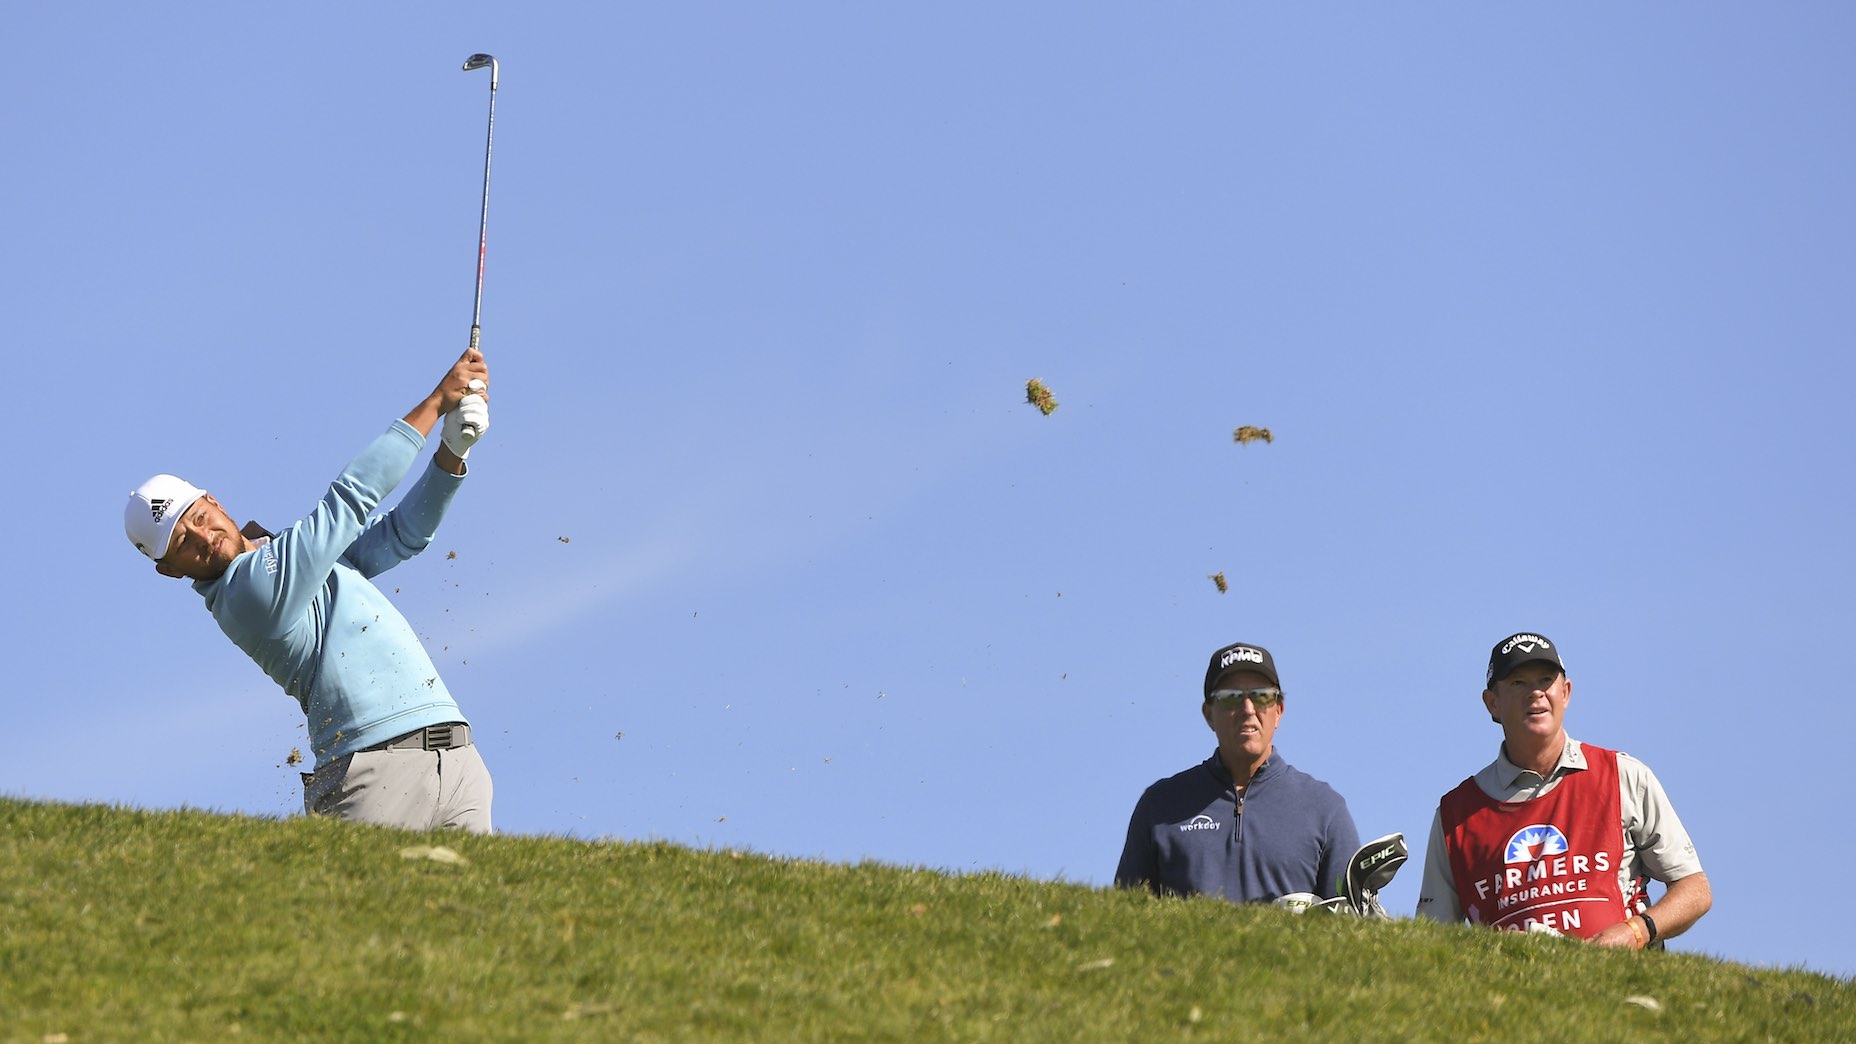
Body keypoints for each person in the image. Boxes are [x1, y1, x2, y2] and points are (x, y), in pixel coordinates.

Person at [124, 347, 496, 834]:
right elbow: (350, 500)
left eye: (197, 517)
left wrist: (452, 451)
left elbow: (403, 535)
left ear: (212, 500)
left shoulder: (287, 558)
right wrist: (435, 402)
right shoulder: (246, 596)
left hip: (456, 755)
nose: (202, 536)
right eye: (181, 543)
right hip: (370, 775)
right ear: (171, 571)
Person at [1415, 632, 1711, 947]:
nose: (1536, 693)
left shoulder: (1623, 775)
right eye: (1518, 683)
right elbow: (1434, 940)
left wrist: (1634, 932)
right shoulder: (1456, 814)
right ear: (1493, 703)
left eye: (1545, 680)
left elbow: (1694, 888)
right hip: (1512, 992)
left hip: (1621, 984)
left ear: (1566, 693)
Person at [1116, 641, 1361, 903]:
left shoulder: (1324, 808)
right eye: (1231, 697)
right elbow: (1122, 921)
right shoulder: (1160, 804)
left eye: (1261, 696)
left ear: (1278, 711)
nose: (1247, 709)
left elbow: (1352, 929)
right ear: (1208, 714)